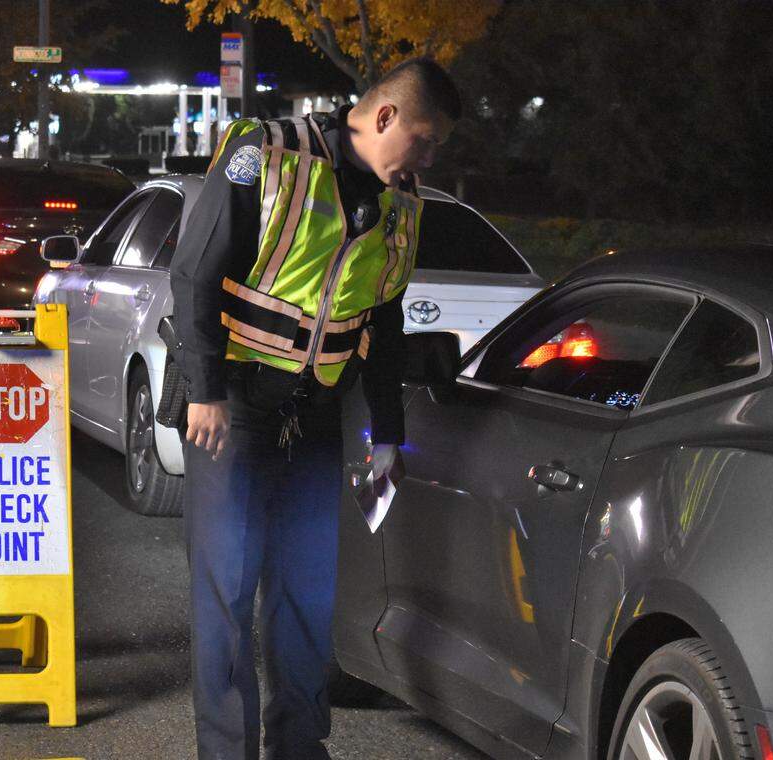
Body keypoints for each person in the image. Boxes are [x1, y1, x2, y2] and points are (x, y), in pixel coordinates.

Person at [169, 58, 461, 760]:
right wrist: (204, 389)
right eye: (423, 141)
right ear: (384, 117)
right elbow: (195, 272)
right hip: (233, 410)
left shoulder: (404, 207)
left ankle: (300, 749)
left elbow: (383, 328)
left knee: (305, 598)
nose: (427, 159)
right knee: (228, 598)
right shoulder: (264, 154)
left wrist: (387, 433)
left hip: (315, 417)